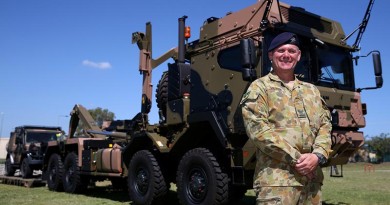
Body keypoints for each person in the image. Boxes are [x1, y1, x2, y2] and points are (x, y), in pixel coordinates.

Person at [240, 32, 332, 204]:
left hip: (311, 185)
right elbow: (258, 131)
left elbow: (325, 126)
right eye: (281, 50)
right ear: (270, 55)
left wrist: (317, 156)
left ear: (298, 56)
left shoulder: (311, 91)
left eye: (291, 51)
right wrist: (300, 160)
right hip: (277, 183)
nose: (286, 55)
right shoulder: (259, 88)